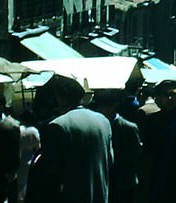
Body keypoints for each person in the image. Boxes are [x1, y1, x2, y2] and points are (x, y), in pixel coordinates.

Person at [26, 73, 112, 203]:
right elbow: (110, 159)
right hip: (99, 195)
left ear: (60, 98)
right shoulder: (103, 121)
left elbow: (52, 167)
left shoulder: (59, 125)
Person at [91, 88, 143, 203]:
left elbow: (137, 153)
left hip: (124, 181)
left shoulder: (129, 127)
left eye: (105, 107)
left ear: (114, 107)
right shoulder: (97, 126)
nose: (102, 110)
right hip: (105, 180)